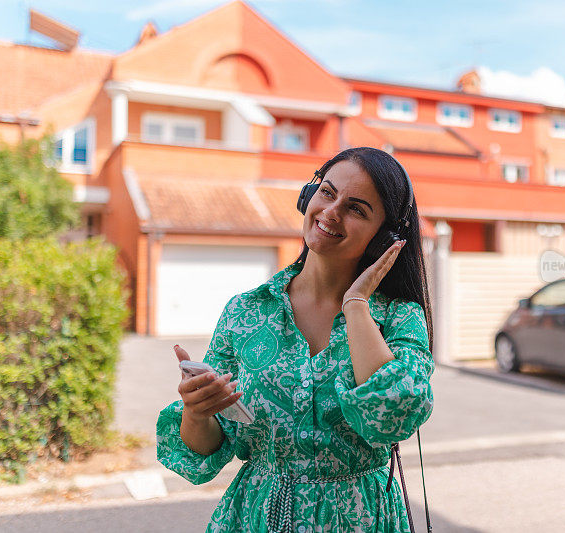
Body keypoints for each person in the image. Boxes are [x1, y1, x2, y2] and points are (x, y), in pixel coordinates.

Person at [157, 146, 435, 532]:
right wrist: (197, 411)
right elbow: (204, 452)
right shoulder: (245, 312)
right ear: (308, 195)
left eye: (357, 208)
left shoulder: (398, 318)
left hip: (359, 520)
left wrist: (356, 304)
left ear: (382, 238)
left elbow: (393, 415)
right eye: (327, 192)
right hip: (257, 518)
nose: (331, 212)